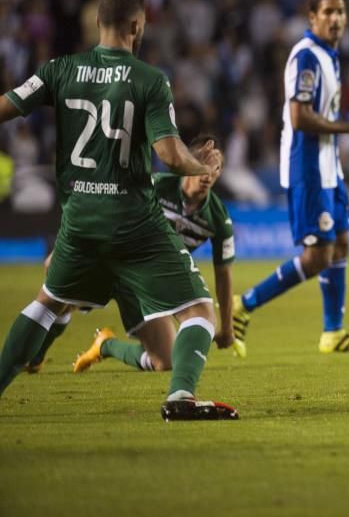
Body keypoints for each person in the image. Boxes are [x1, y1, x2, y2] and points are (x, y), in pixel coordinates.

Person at [0, 0, 237, 420]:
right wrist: (195, 165)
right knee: (199, 310)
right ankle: (180, 396)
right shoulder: (149, 79)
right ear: (137, 26)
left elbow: (8, 105)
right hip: (134, 223)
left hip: (80, 220)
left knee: (46, 302)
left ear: (97, 23)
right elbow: (168, 155)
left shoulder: (60, 68)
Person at [232, 0, 349, 356]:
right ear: (311, 17)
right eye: (328, 12)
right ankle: (243, 304)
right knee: (317, 256)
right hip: (308, 169)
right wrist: (347, 128)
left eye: (341, 12)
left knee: (342, 241)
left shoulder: (330, 56)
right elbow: (299, 118)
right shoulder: (306, 58)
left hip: (329, 167)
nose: (336, 19)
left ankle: (333, 332)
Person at [24, 135, 236, 374]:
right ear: (187, 163)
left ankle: (106, 345)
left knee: (167, 362)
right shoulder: (155, 185)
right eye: (203, 166)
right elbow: (108, 206)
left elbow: (224, 275)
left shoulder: (219, 218)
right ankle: (34, 358)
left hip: (147, 285)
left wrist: (227, 328)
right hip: (112, 261)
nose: (208, 174)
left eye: (216, 168)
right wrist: (65, 249)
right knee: (63, 297)